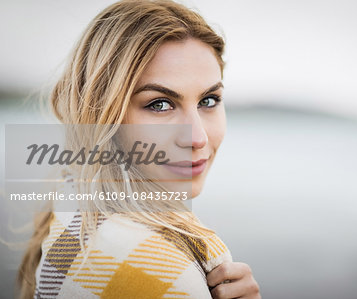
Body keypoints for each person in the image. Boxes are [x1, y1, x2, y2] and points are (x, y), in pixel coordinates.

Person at [16, 1, 261, 298]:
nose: (197, 137)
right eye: (159, 104)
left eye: (208, 100)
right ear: (104, 116)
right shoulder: (159, 270)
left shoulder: (76, 201)